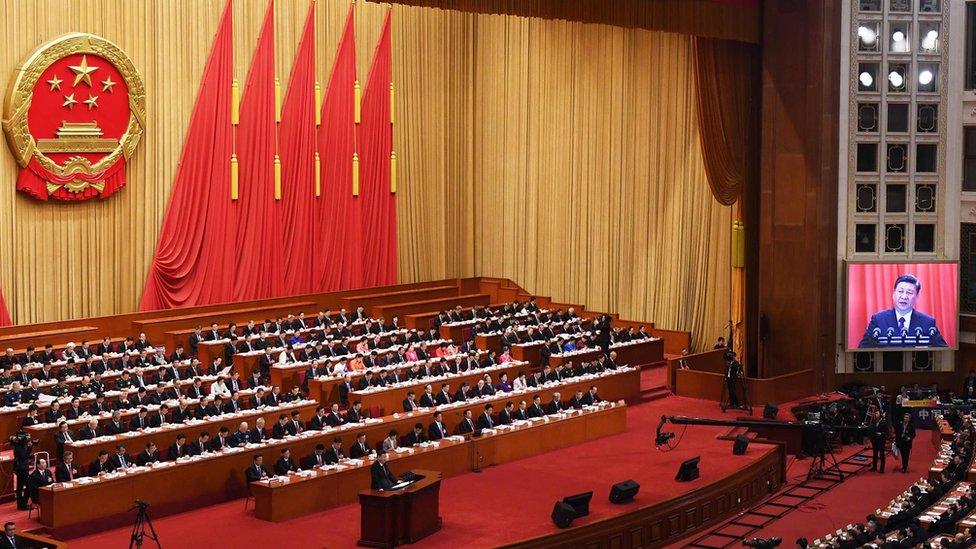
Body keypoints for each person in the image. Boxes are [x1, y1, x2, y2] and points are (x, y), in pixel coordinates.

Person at [858, 274, 947, 348]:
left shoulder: (927, 322)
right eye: (900, 291)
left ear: (917, 297)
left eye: (909, 293)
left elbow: (942, 351)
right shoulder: (878, 320)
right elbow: (862, 349)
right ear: (893, 294)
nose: (904, 296)